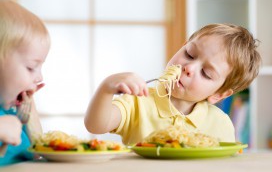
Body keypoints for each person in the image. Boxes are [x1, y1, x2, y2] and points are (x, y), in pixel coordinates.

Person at [85, 23, 261, 145]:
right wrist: (107, 88)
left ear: (219, 94)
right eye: (190, 54)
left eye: (206, 73)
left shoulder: (220, 123)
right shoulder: (138, 102)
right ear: (183, 46)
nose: (189, 68)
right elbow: (96, 125)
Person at [0, 0, 50, 165]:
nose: (39, 78)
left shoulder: (11, 111)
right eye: (30, 67)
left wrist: (31, 121)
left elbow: (38, 156)